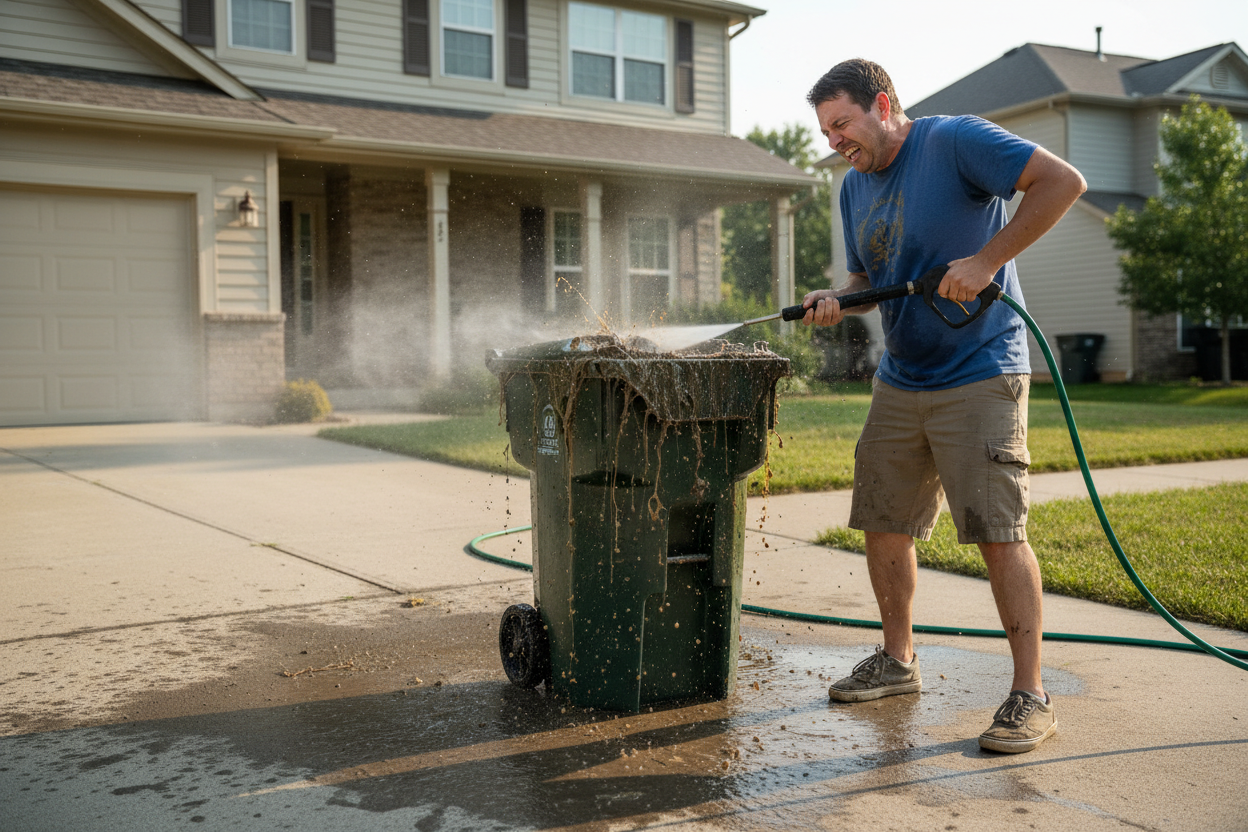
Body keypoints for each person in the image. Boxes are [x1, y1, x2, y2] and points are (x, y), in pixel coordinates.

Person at [800, 59, 1087, 754]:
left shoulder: (955, 141)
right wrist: (840, 299)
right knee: (883, 519)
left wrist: (987, 260)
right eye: (827, 132)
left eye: (843, 124)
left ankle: (1030, 695)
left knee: (996, 529)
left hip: (980, 369)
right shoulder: (852, 187)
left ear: (883, 104)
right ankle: (898, 661)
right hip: (904, 375)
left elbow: (1062, 182)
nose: (837, 141)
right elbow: (868, 275)